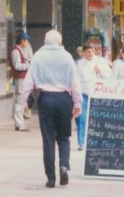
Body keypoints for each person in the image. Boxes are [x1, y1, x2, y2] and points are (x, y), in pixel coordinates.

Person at [21, 30, 82, 188]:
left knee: (48, 140)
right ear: (59, 42)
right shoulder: (67, 57)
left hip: (46, 99)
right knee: (64, 137)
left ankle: (51, 177)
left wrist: (24, 102)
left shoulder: (38, 56)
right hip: (64, 99)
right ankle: (63, 167)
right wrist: (78, 103)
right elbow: (75, 83)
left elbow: (28, 82)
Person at [75, 44, 110, 150]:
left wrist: (100, 71)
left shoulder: (100, 61)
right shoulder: (80, 64)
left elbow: (108, 75)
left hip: (97, 94)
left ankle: (98, 140)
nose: (90, 54)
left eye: (92, 51)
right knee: (82, 118)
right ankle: (82, 142)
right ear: (84, 53)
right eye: (88, 52)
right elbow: (76, 79)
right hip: (83, 94)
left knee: (97, 119)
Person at [9, 32, 31, 131]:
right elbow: (17, 66)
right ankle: (19, 124)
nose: (27, 42)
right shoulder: (15, 51)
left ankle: (20, 123)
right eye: (26, 40)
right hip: (19, 79)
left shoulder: (19, 50)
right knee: (19, 101)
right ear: (22, 40)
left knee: (21, 100)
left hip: (22, 79)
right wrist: (27, 65)